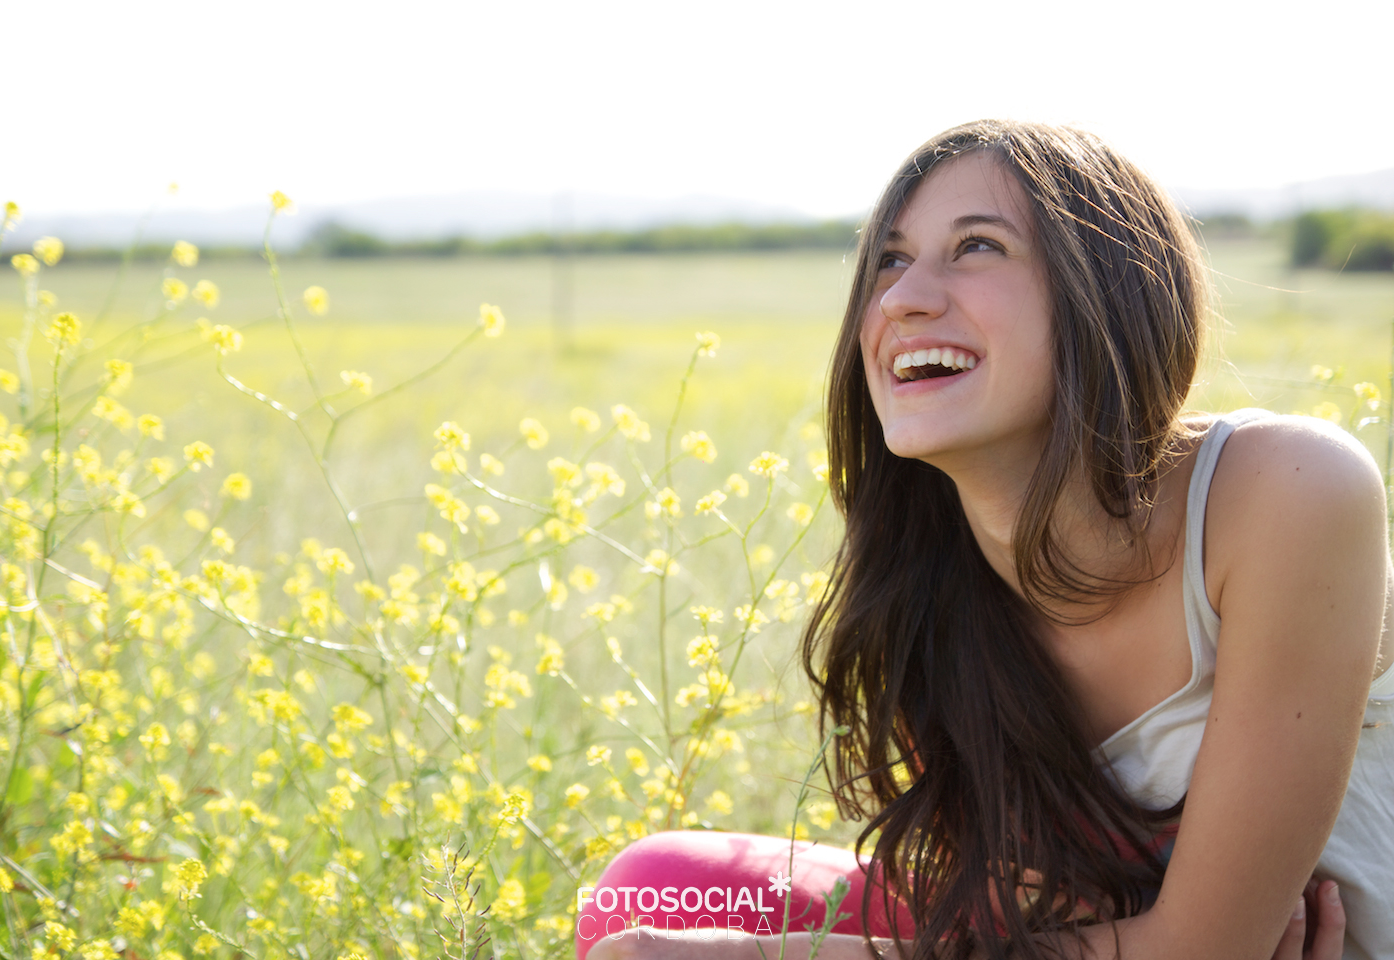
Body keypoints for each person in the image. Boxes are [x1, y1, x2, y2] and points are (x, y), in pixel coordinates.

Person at [580, 120, 1394, 959]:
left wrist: (764, 958)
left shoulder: (1286, 489)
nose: (901, 299)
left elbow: (1198, 951)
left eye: (976, 247)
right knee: (648, 891)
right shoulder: (927, 583)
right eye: (889, 260)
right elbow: (1028, 919)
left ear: (1108, 292)